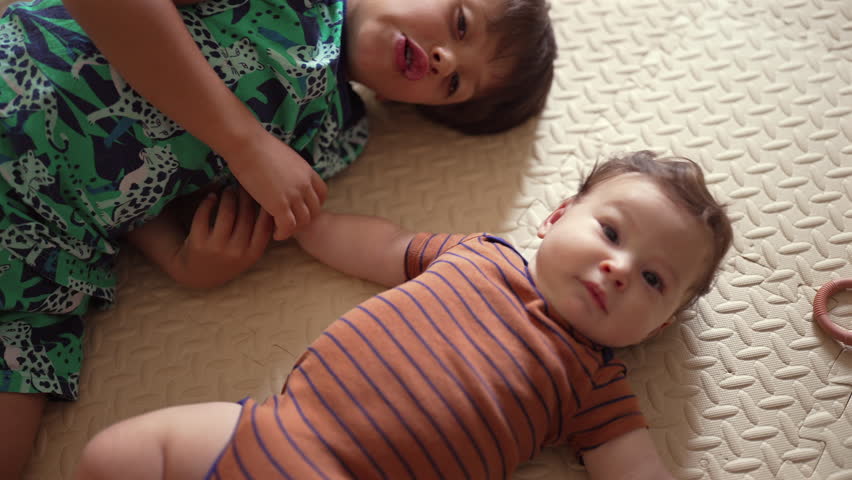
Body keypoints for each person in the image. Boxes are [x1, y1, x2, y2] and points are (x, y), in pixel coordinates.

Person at [0, 0, 557, 476]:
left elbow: (149, 181)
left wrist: (181, 258)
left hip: (51, 256)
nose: (445, 61)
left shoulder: (334, 139)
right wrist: (244, 143)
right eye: (460, 23)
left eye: (456, 84)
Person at [72, 151, 734, 480]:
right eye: (613, 234)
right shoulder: (477, 253)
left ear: (658, 327)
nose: (619, 269)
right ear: (557, 217)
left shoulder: (593, 382)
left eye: (653, 279)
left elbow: (636, 468)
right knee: (111, 455)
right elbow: (383, 247)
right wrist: (308, 226)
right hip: (262, 423)